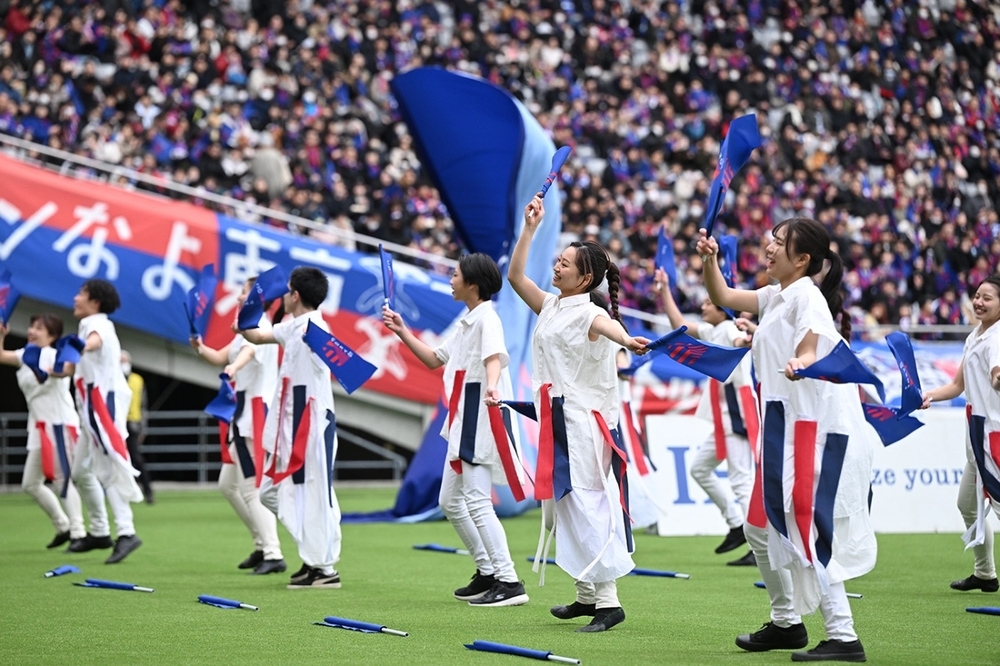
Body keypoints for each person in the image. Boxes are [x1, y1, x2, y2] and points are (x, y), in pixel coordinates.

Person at [697, 218, 877, 662]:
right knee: (758, 527)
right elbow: (722, 296)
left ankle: (844, 636)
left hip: (810, 430)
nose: (769, 246)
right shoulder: (777, 295)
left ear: (802, 260)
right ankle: (786, 624)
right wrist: (710, 260)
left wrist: (802, 360)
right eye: (772, 238)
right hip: (782, 428)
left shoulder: (806, 296)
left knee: (806, 527)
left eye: (780, 242)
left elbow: (812, 345)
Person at [508, 195, 650, 633]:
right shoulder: (551, 305)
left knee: (588, 503)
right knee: (565, 504)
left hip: (583, 424)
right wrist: (530, 228)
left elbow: (612, 329)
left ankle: (609, 602)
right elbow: (514, 276)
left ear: (586, 276)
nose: (556, 267)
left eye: (565, 264)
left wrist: (630, 342)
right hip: (557, 418)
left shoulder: (591, 313)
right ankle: (586, 595)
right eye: (558, 260)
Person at [383, 253, 528, 607]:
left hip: (480, 416)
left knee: (477, 501)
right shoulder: (468, 321)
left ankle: (509, 581)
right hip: (464, 419)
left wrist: (493, 387)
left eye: (455, 274)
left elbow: (494, 358)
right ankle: (488, 572)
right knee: (450, 501)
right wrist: (402, 330)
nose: (450, 279)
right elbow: (435, 359)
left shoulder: (486, 320)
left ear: (472, 285)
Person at [240, 266, 341, 589]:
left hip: (312, 423)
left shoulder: (316, 328)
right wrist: (246, 315)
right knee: (273, 491)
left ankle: (324, 568)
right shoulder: (292, 326)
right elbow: (257, 335)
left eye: (286, 290)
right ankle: (316, 557)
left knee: (314, 494)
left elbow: (334, 361)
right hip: (289, 423)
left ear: (295, 295)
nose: (282, 295)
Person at [653, 267, 756, 566]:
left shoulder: (729, 329)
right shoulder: (715, 329)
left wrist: (745, 341)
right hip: (727, 415)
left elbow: (740, 341)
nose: (703, 305)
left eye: (709, 302)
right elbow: (679, 324)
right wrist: (665, 291)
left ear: (721, 309)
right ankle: (738, 525)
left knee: (741, 481)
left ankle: (757, 542)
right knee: (701, 469)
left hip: (737, 412)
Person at [191, 277, 286, 575]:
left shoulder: (259, 324)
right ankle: (262, 545)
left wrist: (234, 367)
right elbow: (222, 357)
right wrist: (200, 347)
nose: (237, 297)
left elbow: (249, 352)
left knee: (250, 487)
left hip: (254, 413)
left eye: (243, 292)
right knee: (228, 485)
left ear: (257, 297)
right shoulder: (247, 325)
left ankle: (273, 552)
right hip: (241, 411)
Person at [919, 275, 1000, 594]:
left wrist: (997, 380)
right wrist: (929, 397)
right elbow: (957, 385)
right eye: (977, 295)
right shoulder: (976, 336)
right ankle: (985, 574)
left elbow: (997, 374)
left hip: (993, 436)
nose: (979, 301)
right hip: (977, 436)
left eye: (988, 298)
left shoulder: (996, 338)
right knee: (967, 503)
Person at [60, 279, 144, 564]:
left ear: (95, 301)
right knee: (81, 472)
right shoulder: (89, 325)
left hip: (102, 405)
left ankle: (126, 532)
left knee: (108, 469)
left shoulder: (97, 324)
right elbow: (68, 368)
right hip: (91, 407)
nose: (75, 298)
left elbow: (93, 341)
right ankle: (99, 532)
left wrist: (79, 344)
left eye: (81, 293)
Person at [0, 315, 84, 549]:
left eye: (40, 328)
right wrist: (2, 335)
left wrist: (54, 369)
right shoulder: (25, 354)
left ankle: (79, 532)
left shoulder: (54, 354)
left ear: (52, 336)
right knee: (30, 483)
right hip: (38, 427)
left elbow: (67, 369)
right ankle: (63, 527)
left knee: (61, 480)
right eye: (32, 326)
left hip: (58, 424)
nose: (32, 331)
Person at [121, 350, 153, 504]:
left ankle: (148, 492)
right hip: (117, 424)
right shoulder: (112, 378)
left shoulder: (137, 380)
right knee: (117, 460)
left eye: (124, 360)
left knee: (136, 459)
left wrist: (143, 428)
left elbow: (143, 405)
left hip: (133, 423)